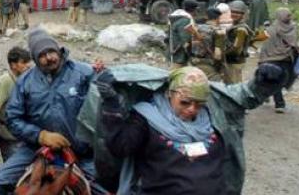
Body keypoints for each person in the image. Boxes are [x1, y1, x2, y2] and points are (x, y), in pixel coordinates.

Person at [97, 64, 287, 195]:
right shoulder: (146, 117)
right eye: (185, 102)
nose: (191, 110)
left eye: (199, 104)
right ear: (169, 93)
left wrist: (265, 82)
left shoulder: (213, 113)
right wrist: (112, 104)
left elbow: (245, 96)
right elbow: (120, 147)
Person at [0, 29, 95, 194]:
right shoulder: (25, 81)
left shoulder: (83, 73)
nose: (49, 57)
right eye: (42, 55)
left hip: (80, 149)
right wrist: (40, 135)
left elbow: (103, 104)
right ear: (36, 59)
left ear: (58, 50)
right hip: (35, 148)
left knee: (106, 187)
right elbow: (13, 118)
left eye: (51, 51)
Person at [0, 47, 32, 162]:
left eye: (29, 62)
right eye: (24, 62)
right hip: (9, 134)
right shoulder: (6, 81)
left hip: (25, 133)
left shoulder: (27, 78)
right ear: (13, 65)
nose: (28, 65)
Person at [259, 8, 299, 113]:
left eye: (289, 15)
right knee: (277, 80)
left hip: (282, 58)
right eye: (287, 15)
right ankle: (279, 103)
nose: (289, 17)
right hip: (276, 59)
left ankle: (266, 94)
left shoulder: (272, 29)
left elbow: (265, 45)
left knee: (278, 80)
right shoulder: (275, 29)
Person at [190, 7, 225, 81]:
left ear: (207, 16)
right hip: (209, 65)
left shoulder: (196, 28)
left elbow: (187, 45)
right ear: (218, 18)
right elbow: (217, 55)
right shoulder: (218, 32)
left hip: (194, 62)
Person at [223, 0, 252, 84]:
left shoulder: (241, 29)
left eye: (238, 12)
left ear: (243, 14)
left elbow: (236, 49)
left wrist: (223, 53)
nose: (234, 14)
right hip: (231, 61)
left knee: (233, 85)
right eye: (232, 11)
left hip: (234, 61)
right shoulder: (235, 25)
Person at [168, 0, 199, 68]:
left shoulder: (178, 17)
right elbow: (185, 40)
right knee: (176, 73)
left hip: (175, 50)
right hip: (179, 55)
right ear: (194, 10)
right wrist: (191, 55)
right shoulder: (185, 21)